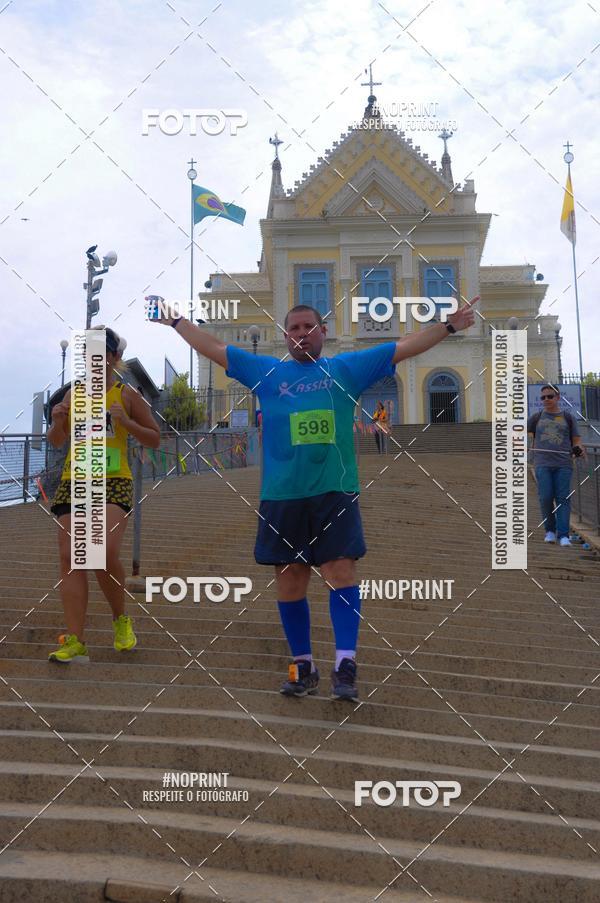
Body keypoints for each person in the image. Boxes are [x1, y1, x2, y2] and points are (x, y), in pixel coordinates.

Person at [150, 299, 476, 700]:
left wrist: (450, 326)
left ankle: (345, 664)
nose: (302, 333)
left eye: (309, 326)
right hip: (282, 495)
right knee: (290, 581)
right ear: (285, 336)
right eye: (294, 328)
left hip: (334, 491)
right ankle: (302, 664)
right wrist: (178, 322)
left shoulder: (345, 369)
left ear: (323, 331)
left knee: (340, 572)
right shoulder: (266, 372)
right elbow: (214, 348)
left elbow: (403, 347)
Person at [46, 327, 160, 662]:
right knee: (71, 557)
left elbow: (154, 438)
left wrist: (127, 421)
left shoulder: (127, 395)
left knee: (102, 551)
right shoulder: (73, 395)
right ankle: (76, 640)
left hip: (113, 481)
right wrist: (57, 422)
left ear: (113, 357)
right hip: (75, 479)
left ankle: (120, 618)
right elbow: (56, 441)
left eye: (100, 353)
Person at [527, 385, 586, 547]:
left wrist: (578, 449)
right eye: (543, 397)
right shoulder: (536, 417)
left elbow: (576, 440)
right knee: (545, 498)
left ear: (557, 397)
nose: (546, 400)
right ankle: (550, 531)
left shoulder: (568, 417)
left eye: (550, 396)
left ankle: (564, 535)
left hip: (563, 464)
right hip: (542, 463)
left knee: (563, 499)